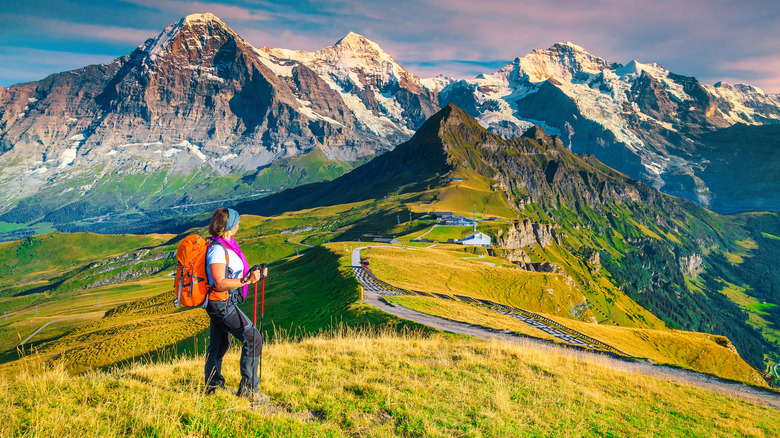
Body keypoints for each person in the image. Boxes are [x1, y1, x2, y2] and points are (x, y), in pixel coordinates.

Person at [204, 207, 268, 405]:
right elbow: (220, 282)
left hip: (223, 301)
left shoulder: (228, 245)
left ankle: (213, 387)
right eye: (236, 221)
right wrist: (247, 281)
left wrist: (253, 274)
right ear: (229, 225)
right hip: (221, 302)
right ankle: (249, 390)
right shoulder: (217, 249)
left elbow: (233, 274)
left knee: (219, 344)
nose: (239, 224)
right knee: (253, 338)